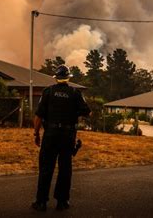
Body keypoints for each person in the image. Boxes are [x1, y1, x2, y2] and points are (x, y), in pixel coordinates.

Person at [31, 65, 91, 211]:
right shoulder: (75, 93)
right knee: (65, 169)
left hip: (50, 135)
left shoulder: (48, 92)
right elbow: (87, 112)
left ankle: (41, 202)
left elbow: (39, 116)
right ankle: (62, 202)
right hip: (67, 136)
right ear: (68, 77)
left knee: (46, 168)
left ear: (56, 77)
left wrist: (36, 133)